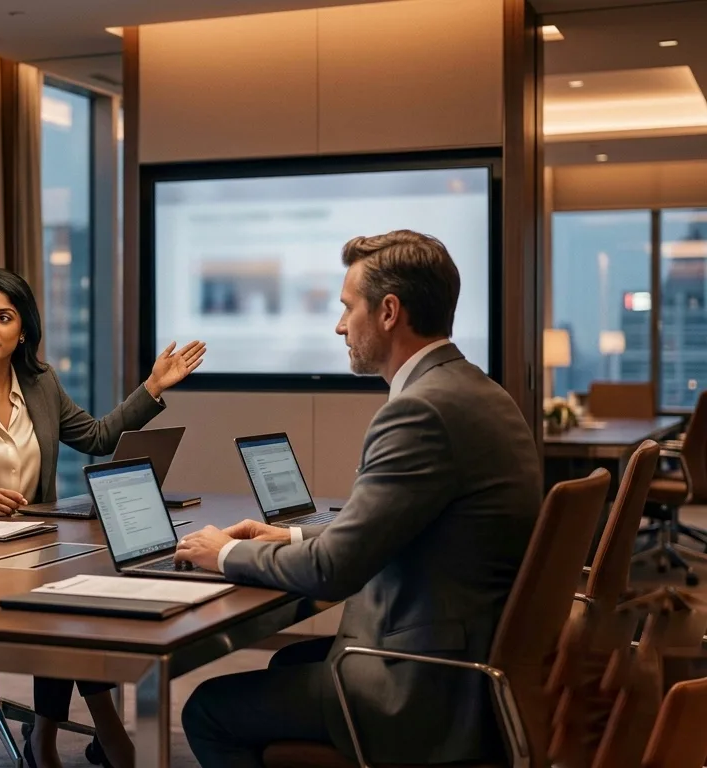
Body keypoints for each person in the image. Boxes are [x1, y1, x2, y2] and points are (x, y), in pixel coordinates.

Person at [174, 230, 541, 767]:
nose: (340, 325)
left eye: (348, 308)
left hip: (422, 689)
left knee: (207, 709)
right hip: (470, 664)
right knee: (286, 667)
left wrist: (222, 554)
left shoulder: (420, 412)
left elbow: (334, 571)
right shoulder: (481, 392)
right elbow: (395, 526)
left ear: (389, 311)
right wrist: (290, 535)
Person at [0, 268, 206, 768]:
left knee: (79, 594)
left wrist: (152, 387)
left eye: (3, 317)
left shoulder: (41, 385)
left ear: (23, 330)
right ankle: (100, 734)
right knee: (67, 603)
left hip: (36, 545)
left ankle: (46, 739)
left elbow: (98, 437)